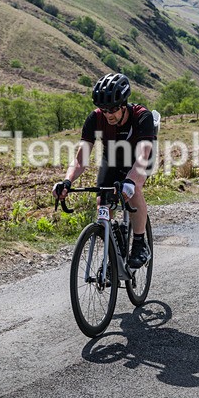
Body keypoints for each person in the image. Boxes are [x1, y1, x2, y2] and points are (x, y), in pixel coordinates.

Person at [52, 73, 156, 268]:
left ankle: (140, 243)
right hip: (114, 157)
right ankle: (114, 253)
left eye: (113, 109)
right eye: (104, 109)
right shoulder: (95, 118)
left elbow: (142, 158)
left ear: (124, 104)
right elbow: (81, 159)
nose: (108, 114)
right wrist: (67, 181)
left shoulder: (142, 116)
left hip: (140, 158)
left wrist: (130, 183)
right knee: (103, 200)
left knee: (133, 192)